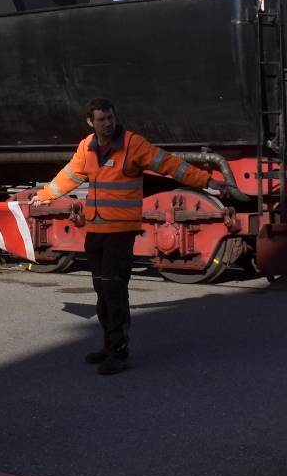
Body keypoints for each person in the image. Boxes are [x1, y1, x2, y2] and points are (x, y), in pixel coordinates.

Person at [30, 97, 214, 375]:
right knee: (102, 292)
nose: (108, 123)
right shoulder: (87, 147)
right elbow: (69, 176)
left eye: (111, 117)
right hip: (95, 233)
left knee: (114, 291)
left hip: (120, 233)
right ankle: (108, 345)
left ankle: (119, 352)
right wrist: (43, 196)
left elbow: (170, 165)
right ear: (90, 122)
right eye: (101, 119)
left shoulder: (133, 144)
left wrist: (207, 182)